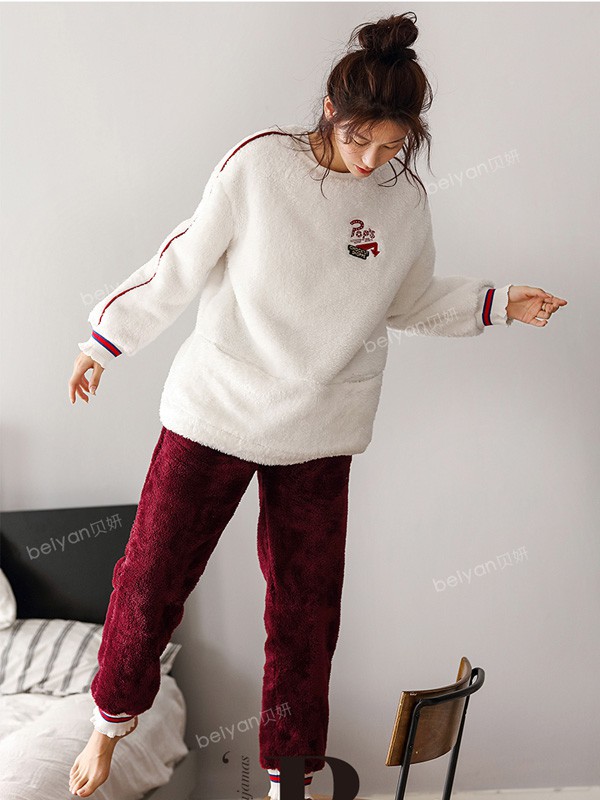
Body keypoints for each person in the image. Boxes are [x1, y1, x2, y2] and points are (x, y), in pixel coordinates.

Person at [66, 11, 567, 798]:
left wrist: (501, 302)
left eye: (391, 148)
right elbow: (182, 259)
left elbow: (411, 301)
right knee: (151, 576)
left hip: (322, 427)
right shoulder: (260, 166)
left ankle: (289, 780)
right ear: (331, 111)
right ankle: (109, 724)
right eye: (361, 140)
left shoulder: (405, 204)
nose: (372, 161)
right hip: (217, 408)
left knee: (306, 616)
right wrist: (104, 341)